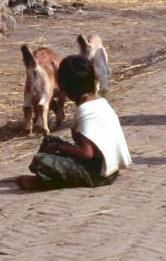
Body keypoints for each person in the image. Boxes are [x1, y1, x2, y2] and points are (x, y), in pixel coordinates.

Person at [14, 55, 131, 190]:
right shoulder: (100, 102)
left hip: (97, 175)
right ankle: (46, 176)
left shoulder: (85, 110)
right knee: (48, 141)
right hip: (110, 169)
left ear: (66, 87)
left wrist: (58, 147)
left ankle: (45, 182)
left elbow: (87, 153)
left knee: (40, 161)